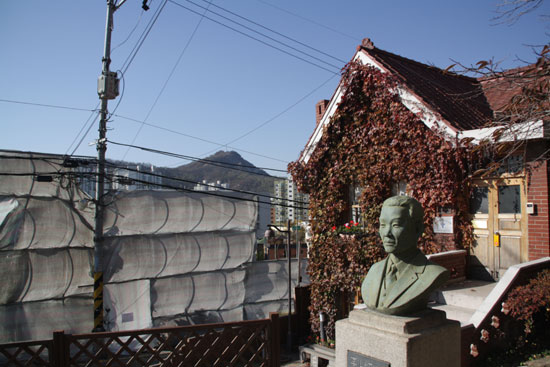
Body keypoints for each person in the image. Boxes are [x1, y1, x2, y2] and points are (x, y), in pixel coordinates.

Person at [361, 196, 449, 315]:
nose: (387, 233)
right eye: (383, 225)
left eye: (396, 225)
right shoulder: (374, 270)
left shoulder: (433, 273)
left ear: (417, 229)